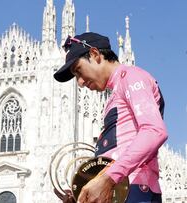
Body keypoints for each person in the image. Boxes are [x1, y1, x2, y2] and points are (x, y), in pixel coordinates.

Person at [53, 32, 168, 203]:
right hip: (120, 191)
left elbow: (154, 131)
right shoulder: (112, 97)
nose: (80, 82)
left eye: (78, 71)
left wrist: (109, 178)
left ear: (94, 54)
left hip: (134, 190)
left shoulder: (131, 76)